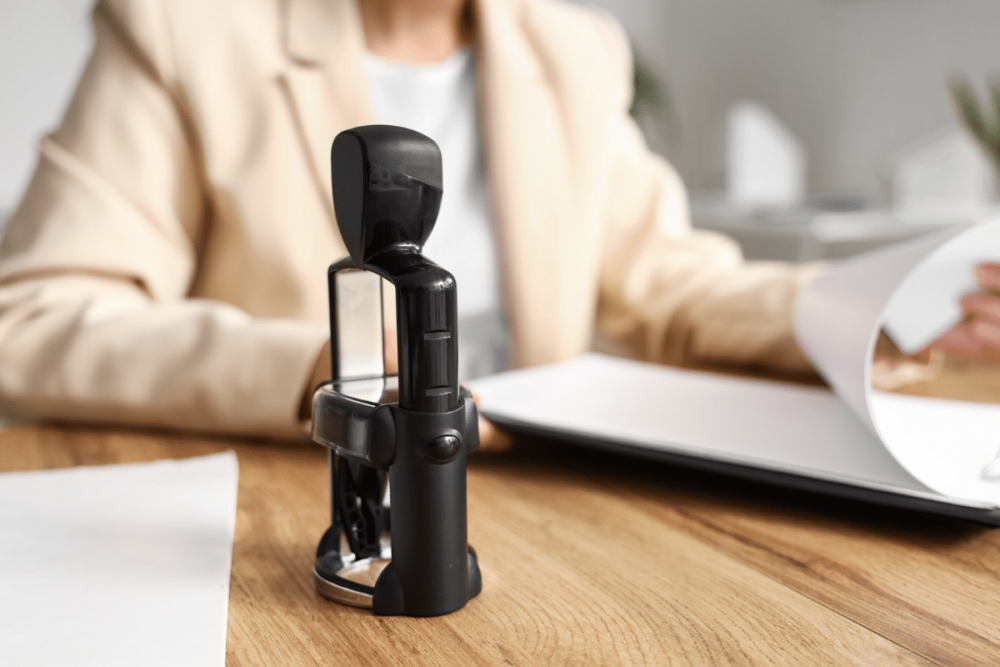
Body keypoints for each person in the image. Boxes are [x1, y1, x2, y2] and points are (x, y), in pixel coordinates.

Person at [0, 0, 858, 441]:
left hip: (531, 505)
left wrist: (878, 314)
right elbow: (31, 321)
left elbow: (674, 286)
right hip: (300, 507)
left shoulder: (572, 51)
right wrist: (323, 373)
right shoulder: (184, 29)